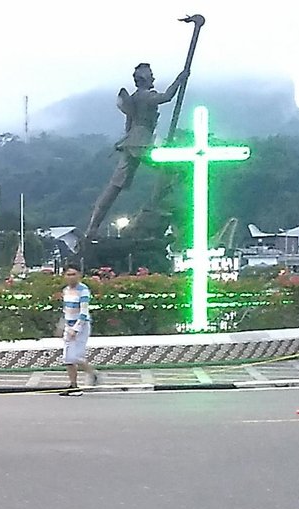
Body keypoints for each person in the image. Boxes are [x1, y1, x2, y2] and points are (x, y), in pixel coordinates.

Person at [86, 62, 189, 241]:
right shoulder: (145, 95)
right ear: (143, 79)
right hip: (141, 143)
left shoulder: (135, 97)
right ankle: (158, 201)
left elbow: (129, 124)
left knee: (114, 186)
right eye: (151, 75)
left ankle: (93, 226)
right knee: (172, 168)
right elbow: (166, 97)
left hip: (133, 142)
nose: (154, 78)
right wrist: (179, 79)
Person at [60, 267, 98, 396]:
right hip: (69, 326)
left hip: (81, 327)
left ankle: (92, 373)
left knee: (76, 356)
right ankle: (73, 385)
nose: (71, 277)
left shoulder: (83, 290)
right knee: (67, 358)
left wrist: (76, 329)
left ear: (79, 275)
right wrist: (64, 326)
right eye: (68, 274)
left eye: (74, 274)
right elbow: (66, 310)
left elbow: (84, 312)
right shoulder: (66, 290)